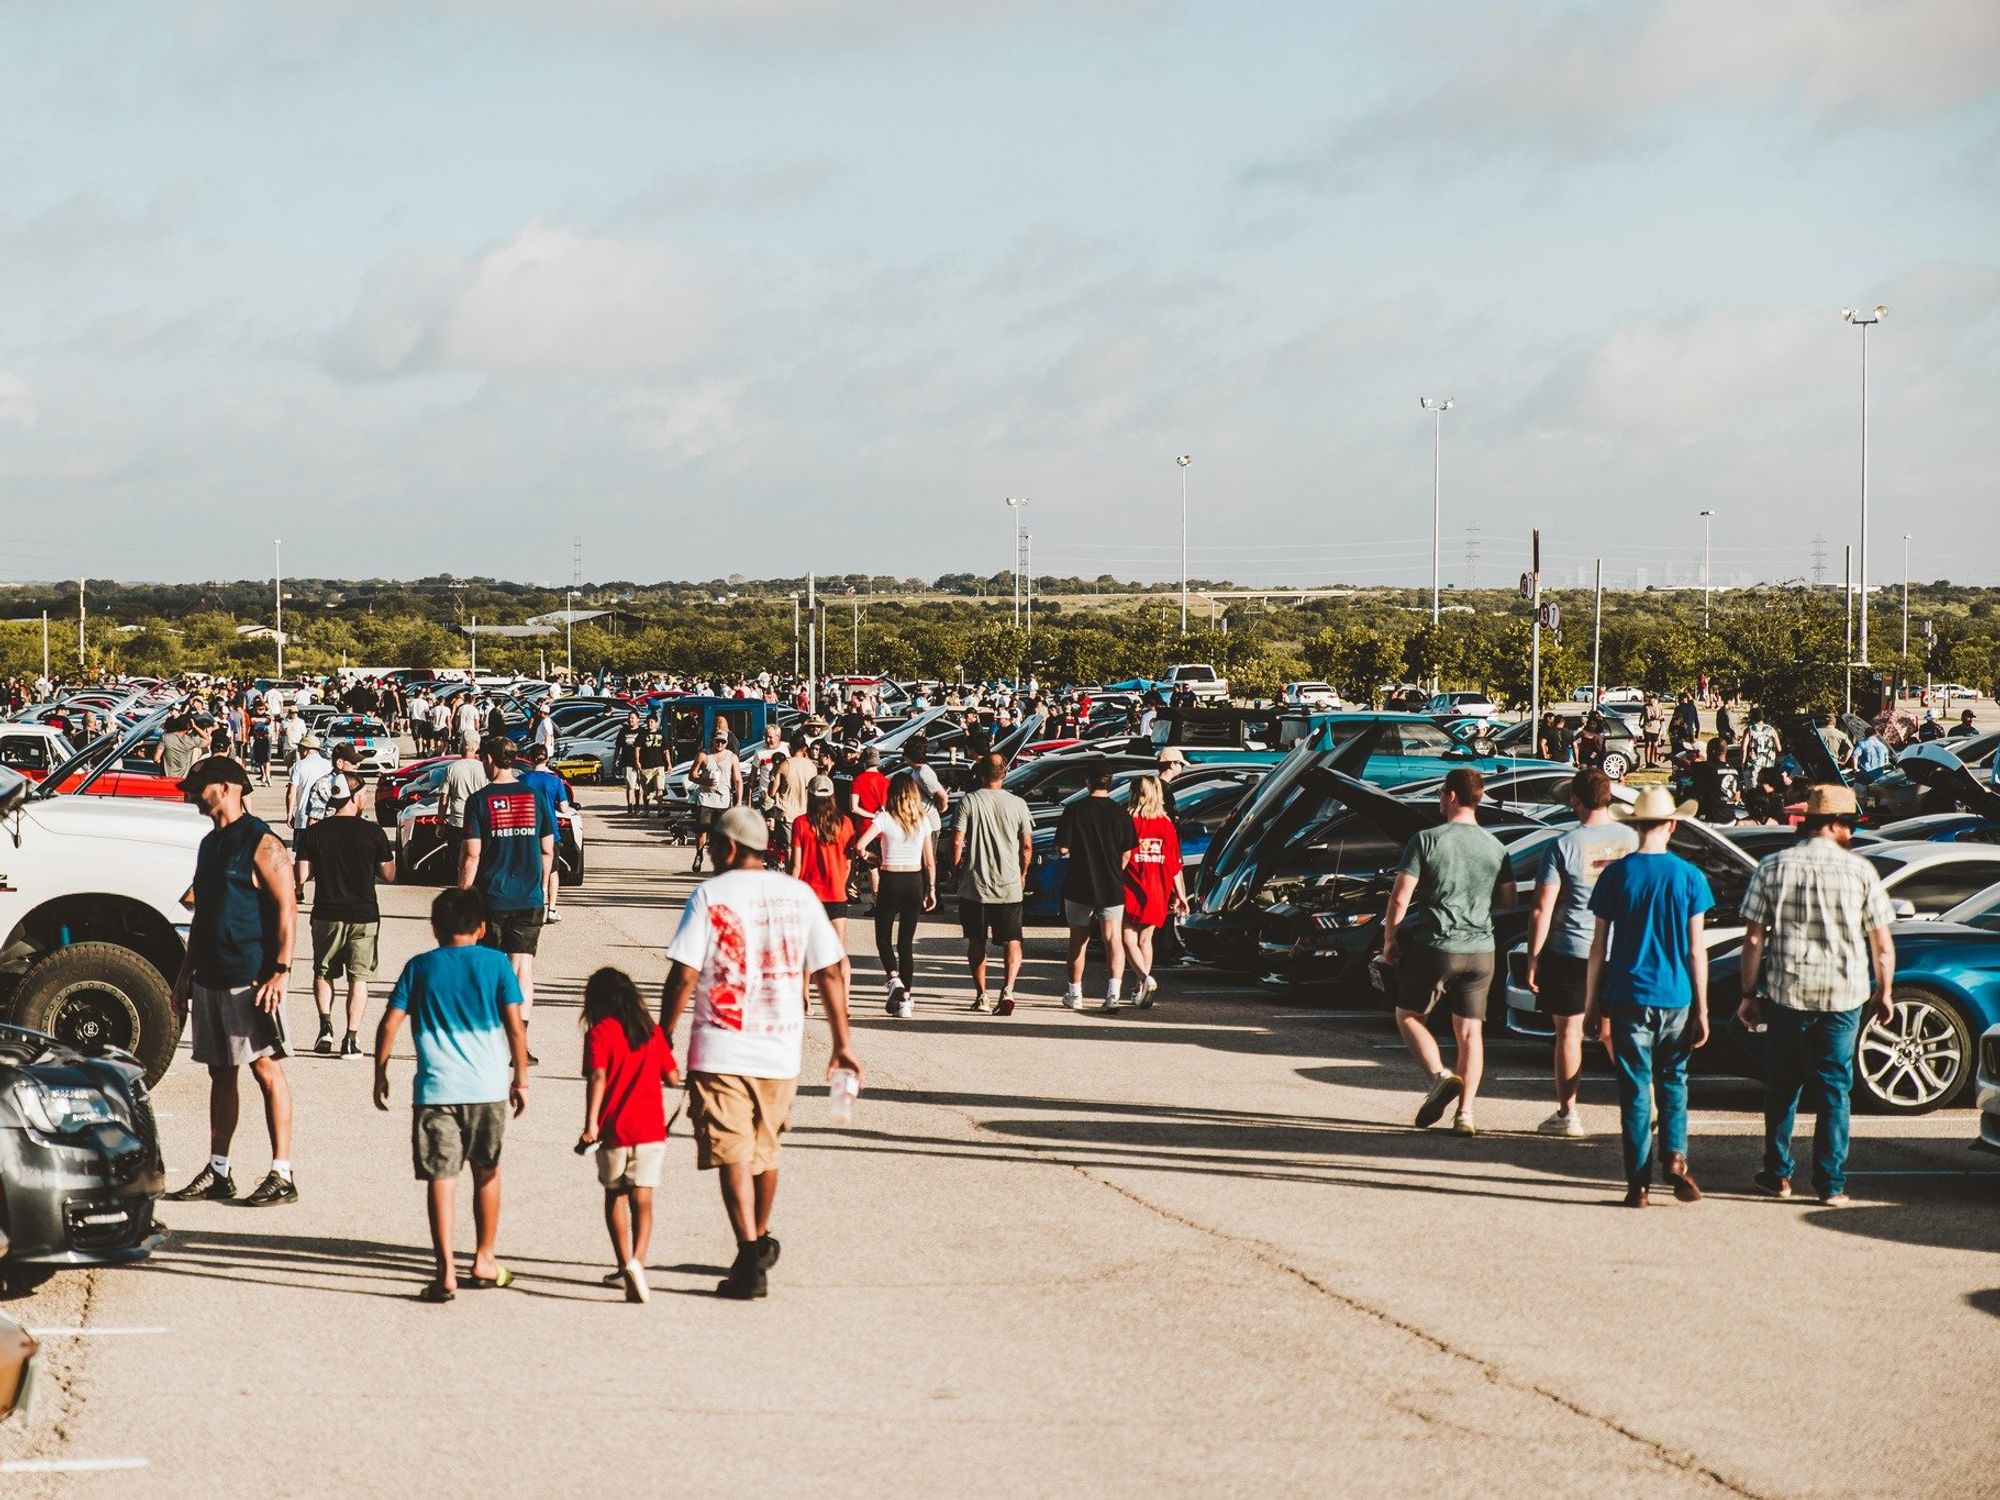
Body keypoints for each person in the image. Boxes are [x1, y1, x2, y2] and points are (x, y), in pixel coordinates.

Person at [660, 806, 860, 1300]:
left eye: (712, 845)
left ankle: (749, 1251)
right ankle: (757, 1238)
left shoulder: (710, 894)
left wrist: (662, 1035)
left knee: (731, 1150)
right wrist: (842, 1044)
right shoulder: (799, 894)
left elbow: (684, 974)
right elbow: (832, 971)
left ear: (728, 847)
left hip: (720, 1046)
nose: (707, 852)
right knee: (765, 1150)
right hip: (780, 1048)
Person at [1737, 785, 1896, 1206]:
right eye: (1848, 824)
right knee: (1833, 1090)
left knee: (1783, 1086)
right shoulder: (1860, 871)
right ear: (1832, 824)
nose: (1851, 832)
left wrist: (1748, 992)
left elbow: (1754, 940)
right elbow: (1881, 944)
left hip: (1788, 991)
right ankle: (1830, 1183)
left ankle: (1777, 1173)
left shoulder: (1772, 867)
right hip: (1844, 995)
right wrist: (1885, 992)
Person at [373, 888, 530, 1303]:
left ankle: (445, 1272)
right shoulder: (497, 963)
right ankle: (484, 1258)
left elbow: (389, 1023)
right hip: (488, 1089)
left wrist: (380, 1070)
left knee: (442, 1179)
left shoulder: (419, 966)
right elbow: (516, 1027)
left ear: (435, 928)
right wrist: (522, 1079)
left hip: (436, 1090)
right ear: (481, 927)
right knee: (487, 1171)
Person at [165, 757, 301, 1208]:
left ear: (225, 787)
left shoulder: (261, 841)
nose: (190, 793)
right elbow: (202, 914)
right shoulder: (210, 844)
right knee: (220, 1073)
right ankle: (219, 1169)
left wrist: (280, 971)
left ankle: (282, 1172)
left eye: (197, 786)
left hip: (252, 978)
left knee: (266, 1068)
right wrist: (184, 980)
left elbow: (287, 908)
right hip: (210, 977)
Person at [1583, 786, 1713, 1208]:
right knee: (1674, 1080)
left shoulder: (1617, 875)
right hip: (1675, 994)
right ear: (1673, 825)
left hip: (1627, 994)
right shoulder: (1690, 876)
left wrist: (1590, 1003)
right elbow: (1697, 949)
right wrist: (1703, 1008)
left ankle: (1637, 1184)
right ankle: (1675, 1155)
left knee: (1636, 1089)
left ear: (1636, 826)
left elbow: (1598, 946)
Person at [1380, 768, 1513, 1136]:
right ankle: (1466, 1114)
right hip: (1481, 950)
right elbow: (1508, 899)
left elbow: (1401, 895)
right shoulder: (1496, 846)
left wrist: (1390, 937)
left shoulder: (1426, 840)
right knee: (1470, 1033)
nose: (1439, 798)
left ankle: (1439, 1077)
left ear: (1452, 796)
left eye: (1441, 793)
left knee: (1408, 1015)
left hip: (1437, 946)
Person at [1524, 769, 1637, 1136]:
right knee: (1613, 1032)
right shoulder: (1631, 840)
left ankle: (1568, 1114)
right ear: (1609, 798)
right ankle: (1641, 1103)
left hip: (1572, 947)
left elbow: (1542, 907)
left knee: (1568, 1032)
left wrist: (1533, 956)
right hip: (1618, 948)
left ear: (1575, 799)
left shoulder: (1563, 845)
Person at [578, 967, 681, 1304]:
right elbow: (673, 1077)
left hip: (614, 1130)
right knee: (643, 1198)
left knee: (616, 1196)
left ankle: (624, 1264)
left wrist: (591, 1123)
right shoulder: (649, 1032)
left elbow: (597, 1078)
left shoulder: (599, 1034)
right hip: (651, 1129)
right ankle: (639, 1260)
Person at [458, 737, 556, 1064]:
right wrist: (541, 888)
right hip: (529, 897)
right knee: (522, 969)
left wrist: (463, 895)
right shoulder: (535, 797)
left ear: (489, 759)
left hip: (491, 897)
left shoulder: (479, 801)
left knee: (486, 970)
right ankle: (519, 1044)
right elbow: (547, 849)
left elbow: (472, 855)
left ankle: (484, 1043)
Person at [296, 771, 396, 1059]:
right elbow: (389, 874)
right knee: (358, 978)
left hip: (326, 912)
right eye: (363, 793)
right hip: (363, 914)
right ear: (354, 796)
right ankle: (351, 1039)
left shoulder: (314, 833)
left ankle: (325, 1027)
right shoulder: (373, 832)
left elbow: (302, 875)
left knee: (323, 971)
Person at [952, 752, 1034, 1015]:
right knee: (1013, 940)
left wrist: (956, 870)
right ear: (1005, 773)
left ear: (980, 773)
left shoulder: (969, 801)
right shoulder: (1018, 804)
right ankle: (1008, 989)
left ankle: (982, 994)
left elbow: (956, 841)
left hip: (976, 883)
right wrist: (1022, 872)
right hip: (1009, 883)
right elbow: (1027, 846)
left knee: (977, 940)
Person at [853, 773, 938, 1017]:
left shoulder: (884, 818)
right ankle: (906, 1001)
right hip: (914, 881)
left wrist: (871, 857)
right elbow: (930, 862)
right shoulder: (922, 821)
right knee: (906, 944)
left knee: (883, 937)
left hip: (890, 880)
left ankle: (894, 979)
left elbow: (860, 846)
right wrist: (931, 889)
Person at [1055, 764, 1138, 1011]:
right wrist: (1114, 870)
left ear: (1087, 782)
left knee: (1078, 938)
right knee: (1113, 938)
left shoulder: (1075, 810)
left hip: (1079, 882)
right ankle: (1113, 994)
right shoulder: (1120, 813)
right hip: (1111, 884)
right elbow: (1127, 853)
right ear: (1110, 783)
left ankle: (1075, 993)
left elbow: (1062, 848)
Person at [1121, 775, 1186, 1006]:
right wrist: (1180, 896)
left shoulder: (1128, 821)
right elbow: (1175, 865)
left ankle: (1144, 978)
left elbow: (1122, 857)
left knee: (1128, 937)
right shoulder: (1166, 825)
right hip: (1158, 889)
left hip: (1131, 886)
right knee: (1146, 940)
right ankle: (1140, 988)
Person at [787, 775, 859, 977]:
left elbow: (796, 865)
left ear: (809, 796)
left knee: (807, 950)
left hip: (808, 893)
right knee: (839, 953)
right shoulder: (846, 823)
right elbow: (847, 863)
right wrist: (840, 884)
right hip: (836, 893)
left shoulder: (801, 823)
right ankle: (844, 1002)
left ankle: (805, 1001)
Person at [518, 744, 578, 921]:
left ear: (530, 759)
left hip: (527, 828)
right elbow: (564, 807)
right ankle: (551, 909)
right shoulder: (555, 781)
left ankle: (528, 905)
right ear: (547, 759)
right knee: (552, 870)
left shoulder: (523, 780)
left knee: (527, 868)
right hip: (550, 828)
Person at [689, 729, 744, 875]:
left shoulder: (732, 757)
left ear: (727, 743)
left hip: (723, 801)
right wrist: (704, 781)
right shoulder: (704, 755)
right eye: (717, 741)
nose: (719, 744)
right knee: (702, 829)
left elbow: (738, 780)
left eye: (723, 742)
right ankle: (699, 854)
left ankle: (720, 862)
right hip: (705, 799)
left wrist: (738, 802)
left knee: (721, 834)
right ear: (713, 741)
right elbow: (692, 775)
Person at [285, 733, 332, 843]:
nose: (299, 752)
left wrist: (289, 814)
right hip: (324, 817)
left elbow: (291, 793)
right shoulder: (328, 765)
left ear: (305, 749)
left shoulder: (299, 765)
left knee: (302, 857)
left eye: (299, 749)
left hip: (303, 818)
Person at [1687, 736, 1739, 823]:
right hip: (1730, 819)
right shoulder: (1734, 771)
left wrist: (1671, 757)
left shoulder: (1708, 767)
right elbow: (1736, 797)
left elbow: (1685, 764)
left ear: (1712, 751)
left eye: (1707, 749)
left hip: (1711, 820)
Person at [900, 734, 949, 814]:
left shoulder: (923, 774)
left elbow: (943, 796)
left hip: (928, 819)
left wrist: (940, 810)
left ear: (909, 756)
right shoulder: (919, 770)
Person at [613, 710, 646, 812]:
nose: (630, 720)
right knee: (630, 785)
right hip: (627, 761)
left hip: (641, 762)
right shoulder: (623, 731)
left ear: (638, 719)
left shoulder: (642, 731)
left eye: (632, 718)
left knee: (638, 786)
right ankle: (630, 806)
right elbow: (618, 747)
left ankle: (637, 804)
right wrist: (615, 760)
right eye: (629, 718)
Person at [1741, 708, 1783, 788]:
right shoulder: (1771, 729)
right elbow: (1779, 748)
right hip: (1768, 766)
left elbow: (1743, 748)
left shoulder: (1750, 730)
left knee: (1753, 790)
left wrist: (1743, 763)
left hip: (1754, 766)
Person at [1641, 695, 1665, 768]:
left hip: (1656, 728)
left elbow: (1663, 717)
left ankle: (1653, 761)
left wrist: (1659, 718)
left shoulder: (1659, 706)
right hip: (1648, 727)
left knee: (1655, 745)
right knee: (1648, 744)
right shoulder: (1646, 707)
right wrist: (1641, 724)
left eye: (1653, 699)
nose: (1651, 700)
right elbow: (1642, 716)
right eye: (1650, 698)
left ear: (1656, 700)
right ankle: (1647, 761)